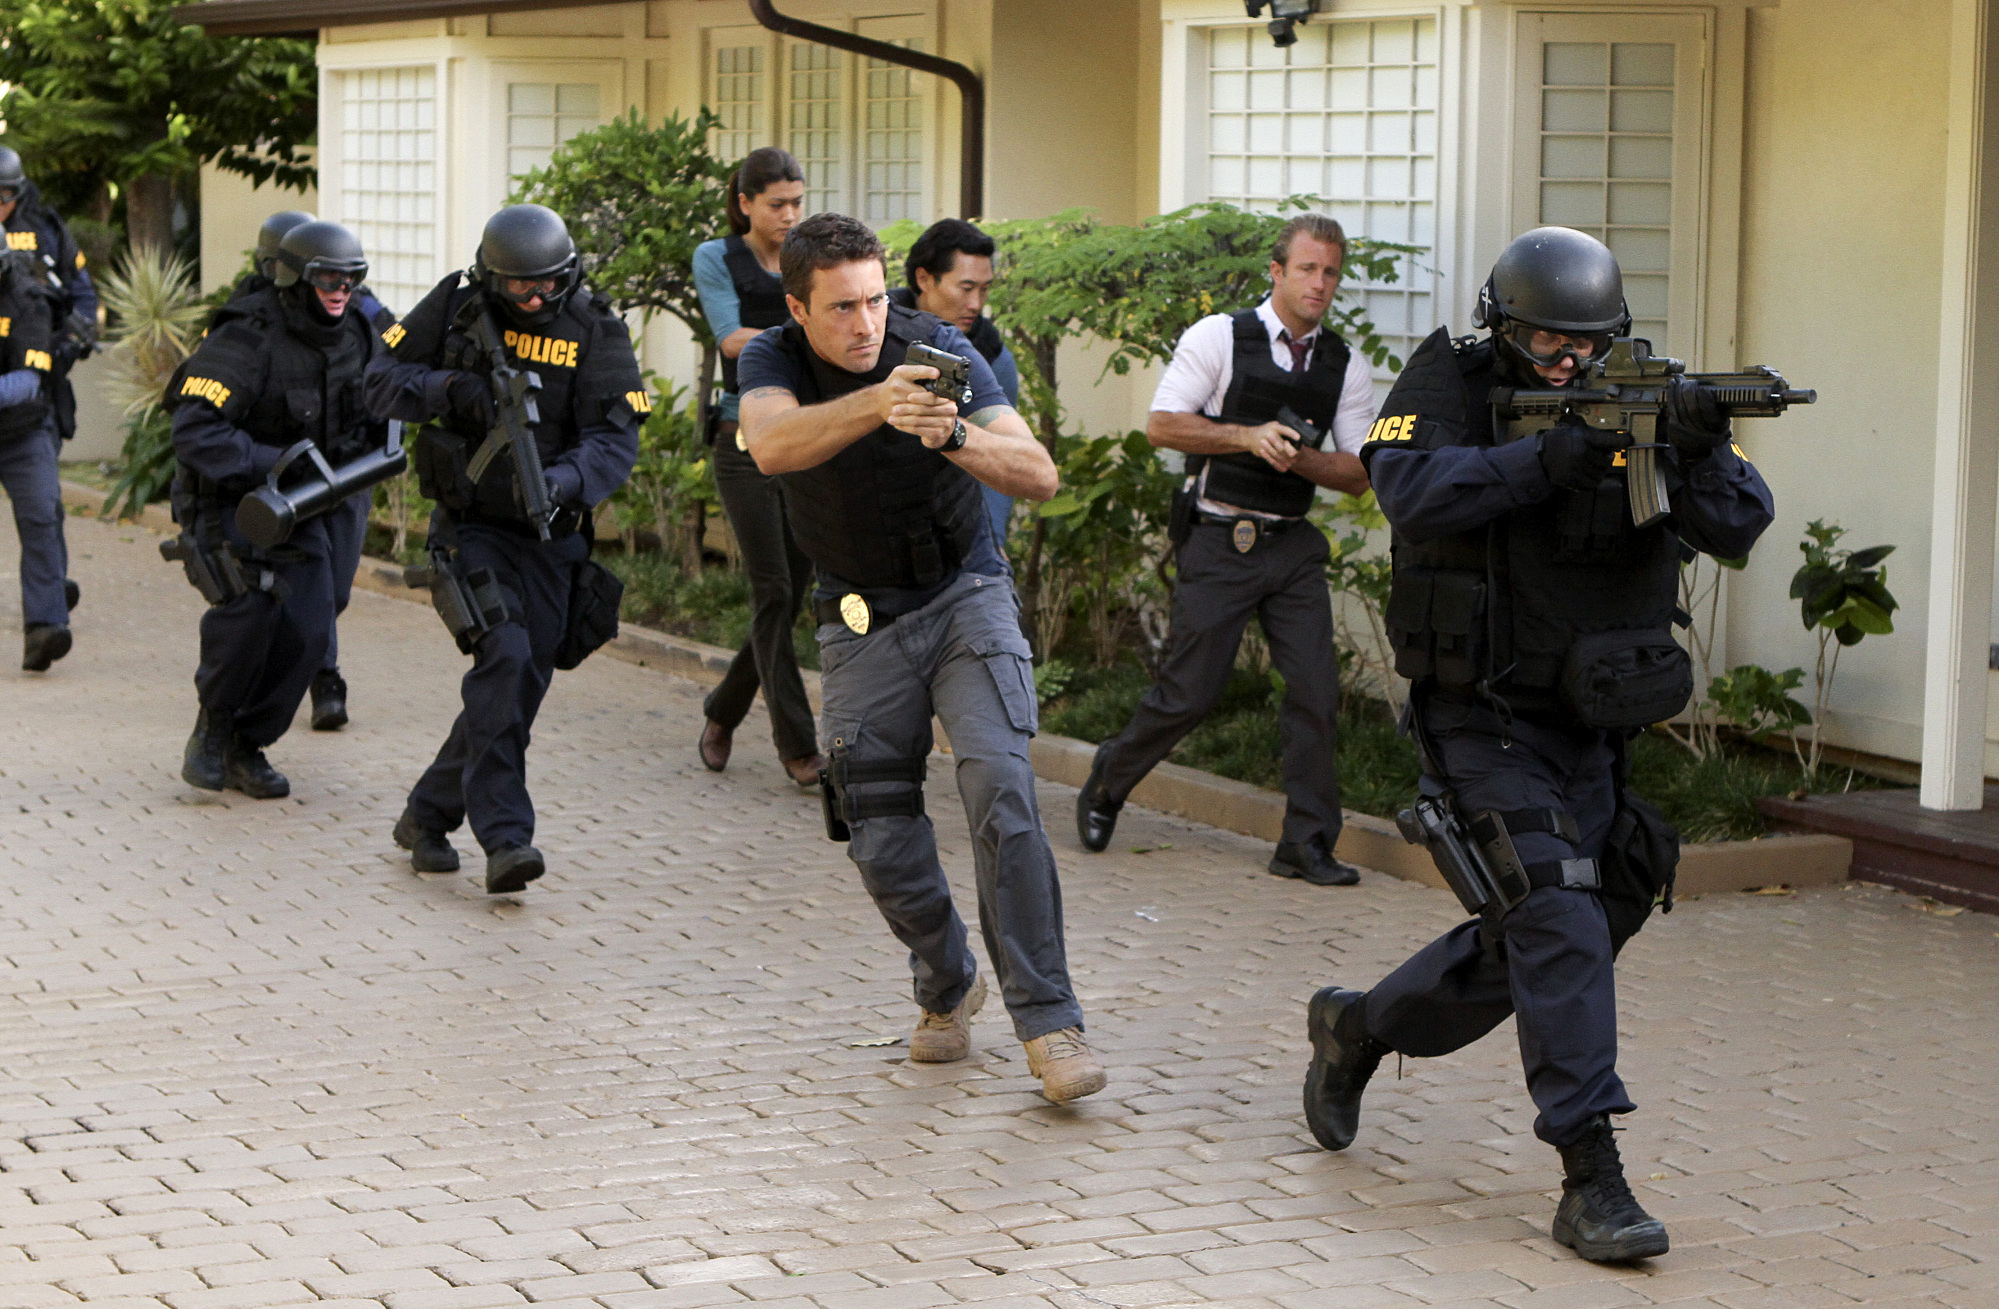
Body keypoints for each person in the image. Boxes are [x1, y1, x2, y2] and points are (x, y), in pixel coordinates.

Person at [1301, 227, 1775, 1264]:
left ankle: (1361, 1026)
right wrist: (1542, 457)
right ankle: (1590, 1173)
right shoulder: (1452, 378)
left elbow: (1738, 526)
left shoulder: (1651, 393)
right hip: (1483, 717)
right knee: (1553, 911)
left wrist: (1693, 443)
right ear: (1504, 330)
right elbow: (1406, 489)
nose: (1568, 366)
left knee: (1569, 923)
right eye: (1547, 348)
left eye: (1585, 349)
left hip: (1592, 725)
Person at [738, 213, 1102, 1104]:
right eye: (842, 308)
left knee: (998, 784)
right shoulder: (771, 361)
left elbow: (1038, 472)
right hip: (858, 616)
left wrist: (953, 435)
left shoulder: (937, 347)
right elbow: (769, 444)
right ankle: (947, 984)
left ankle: (1050, 1021)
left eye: (873, 300)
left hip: (962, 595)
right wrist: (877, 403)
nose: (866, 324)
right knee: (877, 833)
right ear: (798, 307)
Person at [1076, 213, 1375, 887]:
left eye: (1329, 271)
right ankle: (1106, 782)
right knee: (1189, 692)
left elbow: (1358, 473)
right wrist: (1246, 437)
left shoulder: (1342, 364)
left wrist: (1294, 459)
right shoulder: (1219, 336)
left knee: (1314, 691)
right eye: (1306, 268)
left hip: (1290, 544)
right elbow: (1161, 426)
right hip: (1219, 535)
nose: (1318, 283)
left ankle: (1304, 842)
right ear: (1276, 271)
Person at [366, 204, 640, 895]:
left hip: (551, 537)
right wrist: (447, 388)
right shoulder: (458, 307)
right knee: (507, 658)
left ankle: (427, 814)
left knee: (512, 686)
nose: (536, 299)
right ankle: (506, 839)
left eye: (548, 284)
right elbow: (377, 380)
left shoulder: (594, 327)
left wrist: (563, 478)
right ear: (493, 276)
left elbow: (614, 439)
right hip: (472, 529)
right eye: (520, 288)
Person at [165, 221, 383, 797]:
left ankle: (247, 743)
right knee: (250, 611)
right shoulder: (248, 336)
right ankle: (212, 730)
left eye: (352, 278)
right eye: (328, 278)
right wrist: (277, 463)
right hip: (234, 498)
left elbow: (396, 384)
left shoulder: (360, 328)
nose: (342, 289)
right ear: (294, 278)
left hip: (313, 501)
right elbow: (195, 432)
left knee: (313, 625)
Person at [215, 208, 400, 732]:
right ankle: (320, 679)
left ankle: (300, 664)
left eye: (342, 276)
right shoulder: (249, 319)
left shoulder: (359, 309)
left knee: (334, 591)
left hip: (344, 473)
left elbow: (398, 349)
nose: (335, 286)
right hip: (284, 482)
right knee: (308, 594)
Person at [690, 148, 823, 787]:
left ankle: (723, 708)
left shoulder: (809, 258)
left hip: (806, 437)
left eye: (798, 202)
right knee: (772, 588)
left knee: (792, 592)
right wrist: (807, 335)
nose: (791, 216)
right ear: (745, 203)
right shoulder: (717, 257)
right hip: (740, 436)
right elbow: (731, 337)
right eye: (778, 205)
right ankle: (798, 744)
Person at [0, 146, 95, 632]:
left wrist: (72, 339)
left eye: (3, 196)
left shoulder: (48, 227)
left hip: (42, 370)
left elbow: (83, 292)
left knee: (43, 502)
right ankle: (51, 587)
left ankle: (49, 592)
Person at [888, 218, 1021, 543]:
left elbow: (1003, 455)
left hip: (956, 528)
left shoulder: (992, 355)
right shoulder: (876, 332)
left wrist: (993, 538)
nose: (976, 304)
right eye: (966, 288)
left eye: (984, 289)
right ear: (924, 278)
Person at [0, 247, 64, 670]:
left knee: (43, 515)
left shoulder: (26, 298)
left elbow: (26, 382)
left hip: (20, 431)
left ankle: (44, 626)